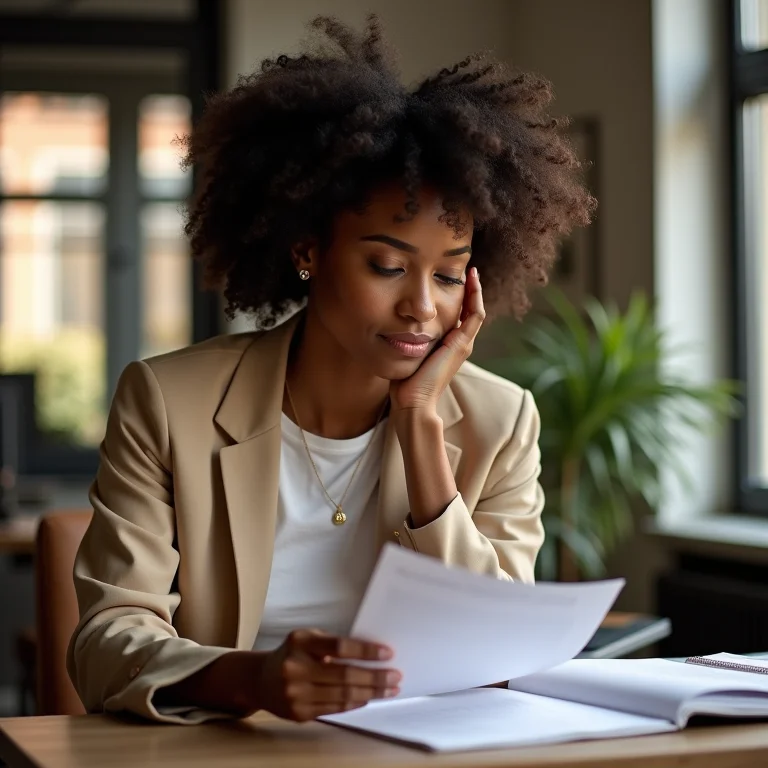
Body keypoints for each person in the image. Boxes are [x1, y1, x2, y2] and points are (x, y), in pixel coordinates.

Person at [66, 15, 595, 726]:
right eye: (387, 265)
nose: (421, 307)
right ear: (308, 250)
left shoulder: (499, 422)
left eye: (448, 276)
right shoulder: (169, 402)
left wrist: (419, 425)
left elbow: (502, 650)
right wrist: (252, 680)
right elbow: (107, 643)